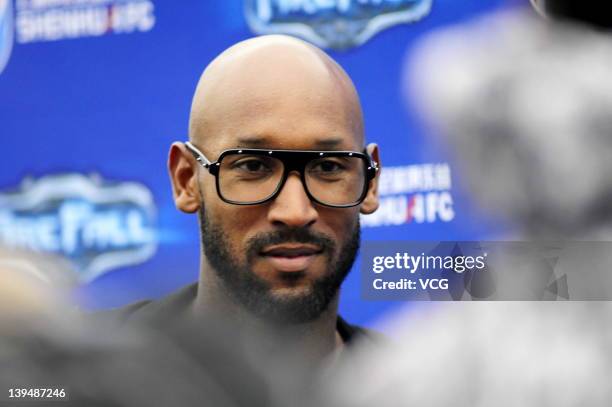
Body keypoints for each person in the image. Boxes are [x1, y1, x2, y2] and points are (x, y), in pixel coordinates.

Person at [104, 34, 382, 366]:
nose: (295, 212)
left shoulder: (431, 392)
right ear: (186, 180)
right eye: (253, 166)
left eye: (327, 167)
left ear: (371, 181)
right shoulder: (78, 379)